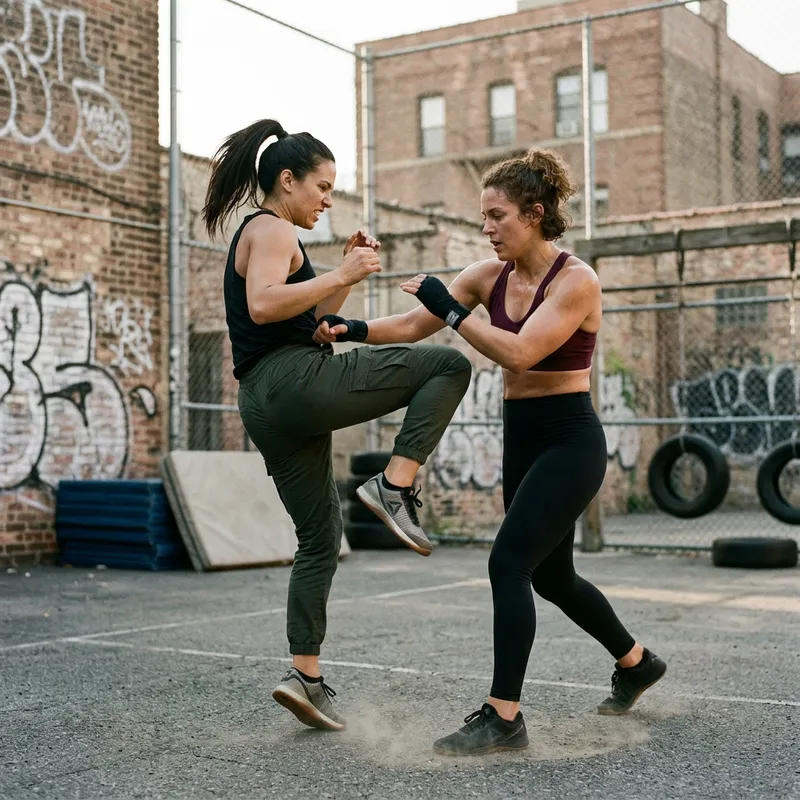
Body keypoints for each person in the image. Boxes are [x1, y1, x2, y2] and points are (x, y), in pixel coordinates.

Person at [313, 148, 667, 755]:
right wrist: (355, 330)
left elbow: (520, 353)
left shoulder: (577, 281)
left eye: (497, 215)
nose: (487, 228)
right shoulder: (486, 275)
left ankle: (504, 717)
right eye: (483, 216)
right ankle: (637, 662)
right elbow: (415, 324)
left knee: (508, 563)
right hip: (521, 435)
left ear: (534, 213)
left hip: (570, 440)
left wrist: (451, 309)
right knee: (552, 576)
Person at [203, 119, 472, 733]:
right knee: (449, 365)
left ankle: (305, 676)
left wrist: (343, 281)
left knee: (321, 537)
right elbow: (263, 304)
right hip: (291, 383)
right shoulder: (271, 228)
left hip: (264, 402)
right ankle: (393, 484)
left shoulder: (271, 235)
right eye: (322, 187)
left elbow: (312, 320)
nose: (328, 199)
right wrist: (343, 273)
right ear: (287, 180)